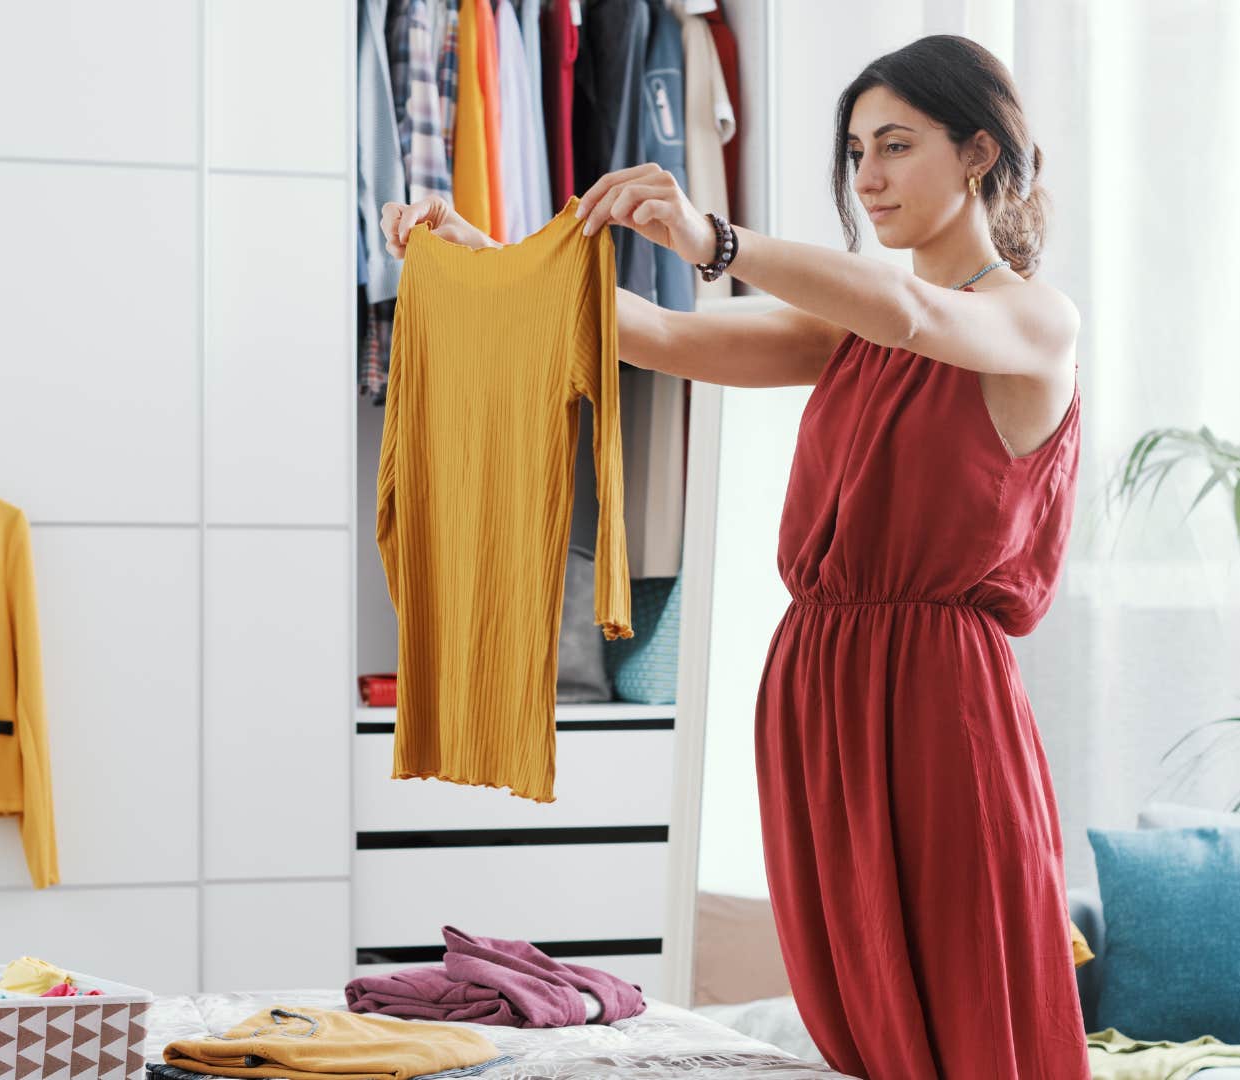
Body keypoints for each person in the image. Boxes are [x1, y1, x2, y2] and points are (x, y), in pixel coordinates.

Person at [382, 33, 1086, 1080]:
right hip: (818, 686)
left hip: (940, 698)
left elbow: (911, 308)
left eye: (895, 146)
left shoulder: (1032, 319)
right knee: (857, 1006)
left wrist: (715, 239)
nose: (869, 178)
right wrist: (474, 253)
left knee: (966, 1001)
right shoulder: (849, 332)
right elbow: (655, 335)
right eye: (855, 153)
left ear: (979, 152)